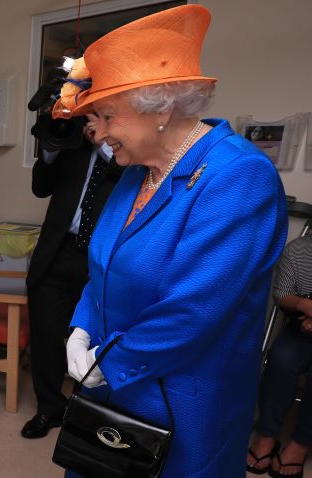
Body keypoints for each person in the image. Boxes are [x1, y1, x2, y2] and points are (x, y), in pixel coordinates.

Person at [50, 5, 288, 476]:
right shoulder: (135, 171)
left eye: (106, 115)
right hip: (110, 382)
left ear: (159, 106)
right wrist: (80, 327)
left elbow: (195, 308)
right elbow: (103, 267)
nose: (99, 133)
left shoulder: (240, 177)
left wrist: (110, 361)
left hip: (182, 402)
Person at [20, 117, 121, 439]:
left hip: (101, 256)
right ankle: (48, 407)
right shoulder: (72, 143)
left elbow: (133, 180)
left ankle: (86, 411)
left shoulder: (124, 145)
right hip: (56, 251)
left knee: (94, 337)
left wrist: (103, 145)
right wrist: (50, 150)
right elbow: (40, 187)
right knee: (46, 338)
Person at [247, 232, 312, 477]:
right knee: (280, 361)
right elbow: (282, 294)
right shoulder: (297, 251)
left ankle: (300, 443)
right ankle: (267, 434)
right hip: (300, 329)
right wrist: (303, 306)